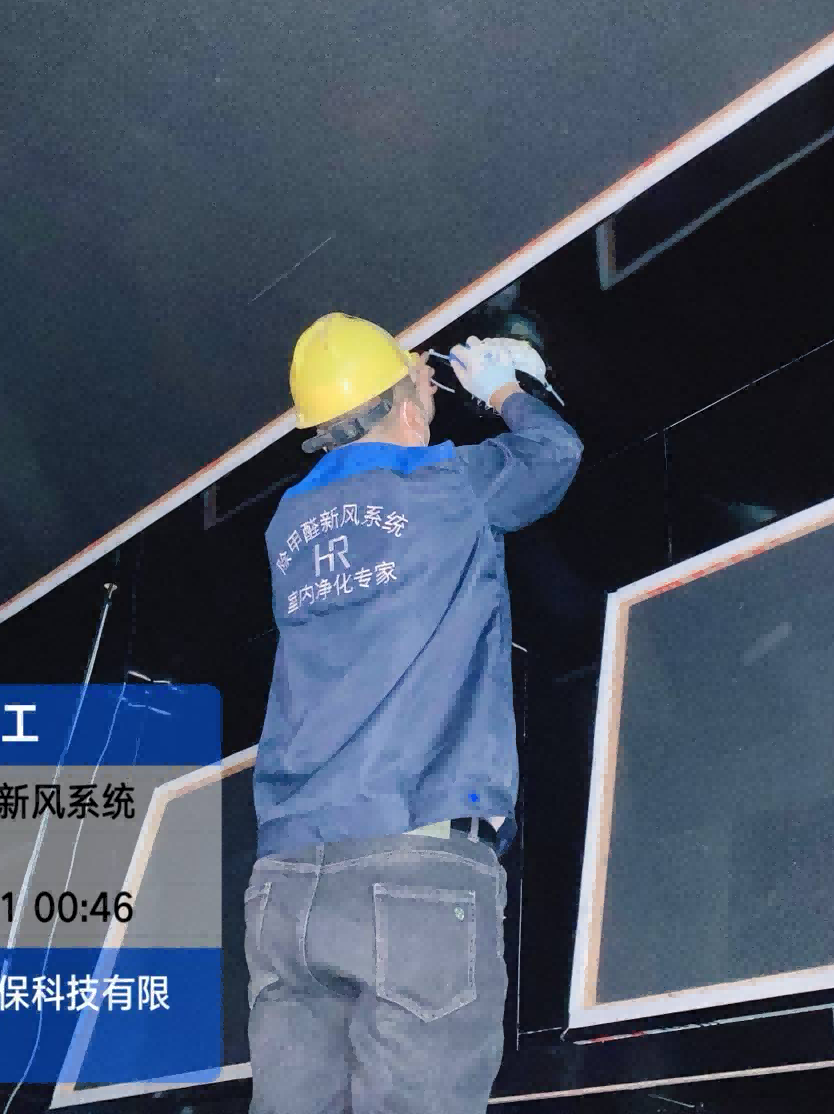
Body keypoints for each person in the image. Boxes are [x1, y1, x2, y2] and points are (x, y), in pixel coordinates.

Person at [244, 312, 583, 1113]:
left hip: (285, 878)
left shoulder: (287, 523)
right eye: (420, 384)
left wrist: (419, 385)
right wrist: (500, 389)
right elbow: (552, 456)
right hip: (411, 859)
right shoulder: (444, 482)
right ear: (404, 403)